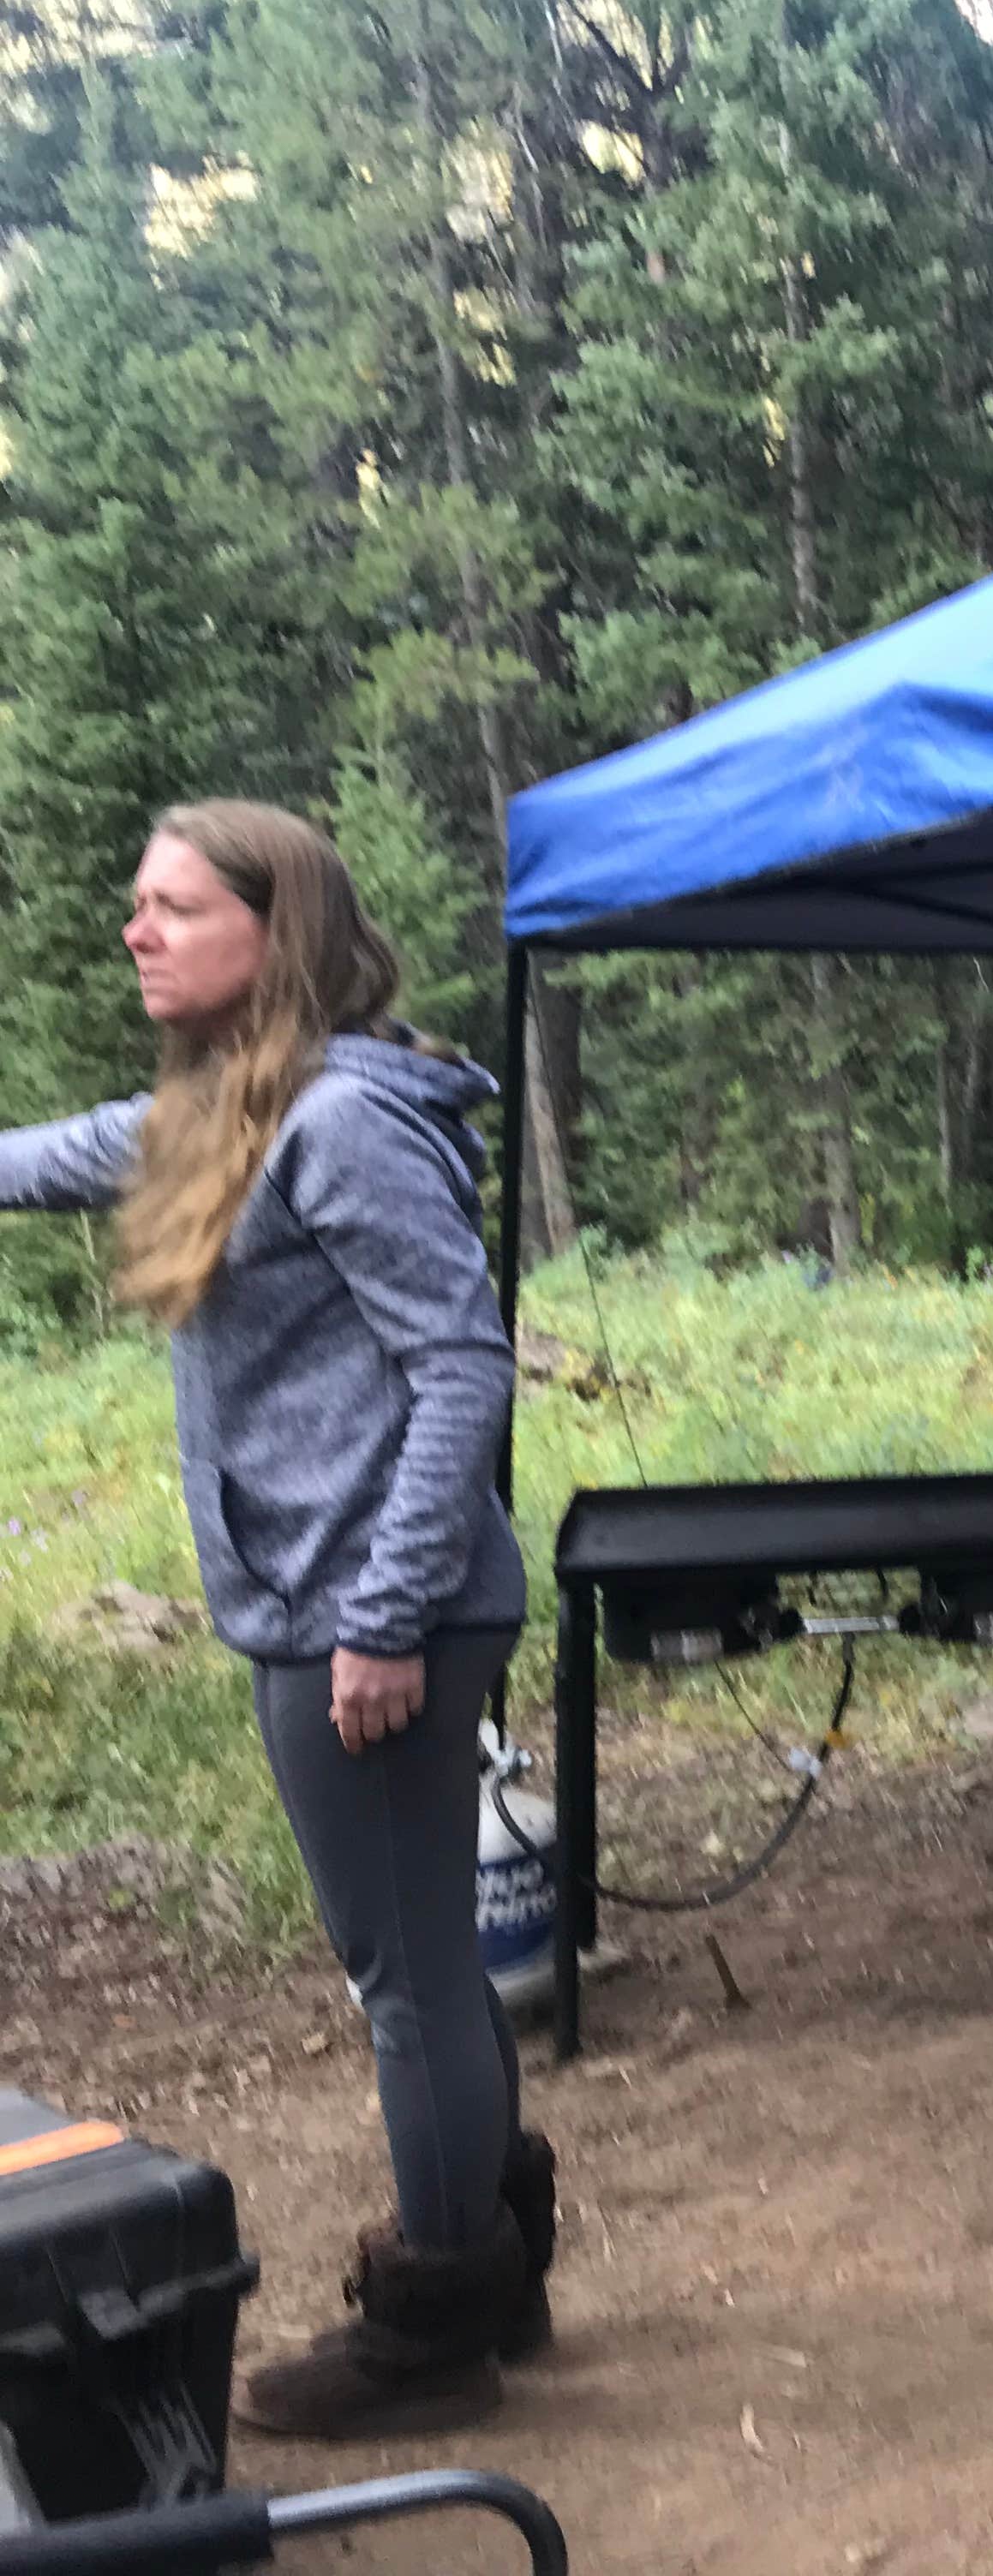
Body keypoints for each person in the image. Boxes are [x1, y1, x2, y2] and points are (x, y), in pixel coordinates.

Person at [0, 801, 550, 2438]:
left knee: (412, 1981)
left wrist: (381, 1618)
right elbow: (32, 1161)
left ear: (274, 929)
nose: (137, 930)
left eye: (174, 905)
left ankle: (440, 2325)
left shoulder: (339, 1126)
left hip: (372, 1619)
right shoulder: (223, 1114)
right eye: (138, 904)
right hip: (335, 1605)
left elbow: (462, 1367)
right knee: (425, 1963)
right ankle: (497, 2270)